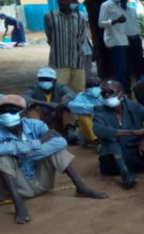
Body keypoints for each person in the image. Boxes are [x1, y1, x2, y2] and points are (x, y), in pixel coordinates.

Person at [0, 95, 107, 224]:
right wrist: (39, 142)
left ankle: (81, 187)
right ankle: (19, 205)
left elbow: (60, 141)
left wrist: (25, 152)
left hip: (41, 181)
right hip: (19, 185)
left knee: (57, 150)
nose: (6, 114)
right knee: (3, 158)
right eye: (2, 112)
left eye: (11, 111)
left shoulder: (35, 125)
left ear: (22, 113)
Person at [93, 80, 144, 189]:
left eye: (110, 92)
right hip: (114, 163)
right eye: (104, 93)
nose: (107, 95)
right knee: (111, 139)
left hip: (139, 156)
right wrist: (135, 132)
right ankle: (125, 175)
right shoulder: (99, 111)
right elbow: (99, 130)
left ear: (121, 94)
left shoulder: (133, 107)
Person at [44, 0, 87, 94]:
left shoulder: (80, 18)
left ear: (70, 1)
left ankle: (78, 109)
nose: (61, 2)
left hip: (77, 60)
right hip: (59, 61)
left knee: (80, 91)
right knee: (58, 91)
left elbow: (81, 38)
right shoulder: (50, 16)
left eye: (64, 0)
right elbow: (50, 36)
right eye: (60, 0)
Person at [23, 67, 76, 138]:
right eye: (42, 79)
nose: (44, 81)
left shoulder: (60, 86)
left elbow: (72, 94)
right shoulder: (33, 87)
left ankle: (70, 132)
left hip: (56, 118)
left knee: (68, 102)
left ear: (54, 80)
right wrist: (48, 104)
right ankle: (37, 132)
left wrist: (61, 104)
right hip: (41, 118)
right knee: (31, 109)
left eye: (47, 79)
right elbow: (25, 98)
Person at [98, 0, 131, 95]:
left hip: (123, 40)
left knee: (124, 69)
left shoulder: (120, 4)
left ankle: (125, 91)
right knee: (120, 70)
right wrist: (115, 21)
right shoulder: (106, 5)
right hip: (114, 41)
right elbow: (101, 23)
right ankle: (119, 93)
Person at [67, 74, 104, 144]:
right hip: (89, 128)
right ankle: (96, 140)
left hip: (104, 124)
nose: (94, 88)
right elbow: (71, 105)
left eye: (96, 85)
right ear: (86, 88)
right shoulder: (82, 96)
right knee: (83, 115)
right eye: (91, 86)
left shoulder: (105, 94)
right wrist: (92, 107)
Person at [121, 0, 144, 78]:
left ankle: (140, 81)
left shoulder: (132, 10)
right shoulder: (117, 11)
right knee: (126, 63)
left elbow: (135, 24)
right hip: (125, 40)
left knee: (139, 61)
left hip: (136, 39)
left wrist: (139, 37)